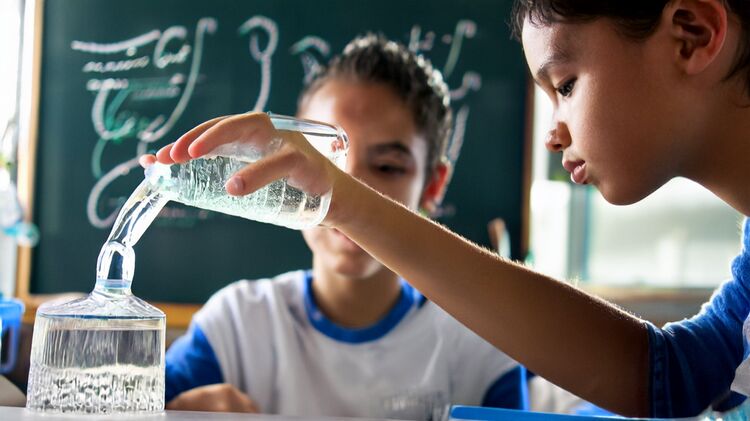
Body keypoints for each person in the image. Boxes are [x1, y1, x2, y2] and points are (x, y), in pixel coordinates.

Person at [153, 0, 750, 417]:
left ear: (692, 34)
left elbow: (662, 381)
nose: (552, 133)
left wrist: (342, 197)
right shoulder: (239, 320)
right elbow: (672, 379)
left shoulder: (465, 346)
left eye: (566, 85)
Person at [154, 34, 526, 417]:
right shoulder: (236, 326)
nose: (347, 190)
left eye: (386, 167)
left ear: (433, 185)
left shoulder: (481, 349)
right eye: (324, 162)